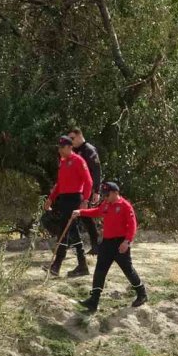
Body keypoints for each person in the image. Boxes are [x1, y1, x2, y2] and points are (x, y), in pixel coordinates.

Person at [71, 181, 147, 312]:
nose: (105, 197)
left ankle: (142, 294)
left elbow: (133, 225)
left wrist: (127, 242)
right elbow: (97, 212)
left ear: (115, 193)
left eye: (107, 194)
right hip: (106, 243)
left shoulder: (125, 206)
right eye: (104, 194)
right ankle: (93, 301)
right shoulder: (106, 204)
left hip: (120, 243)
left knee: (127, 269)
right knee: (100, 270)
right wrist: (81, 212)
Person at [44, 136, 93, 277]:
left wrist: (85, 200)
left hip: (74, 198)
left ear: (69, 147)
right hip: (64, 199)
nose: (59, 150)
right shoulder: (63, 162)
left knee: (65, 230)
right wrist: (50, 199)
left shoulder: (78, 161)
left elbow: (88, 181)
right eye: (58, 148)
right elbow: (59, 184)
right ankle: (81, 265)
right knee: (70, 230)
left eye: (61, 147)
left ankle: (57, 264)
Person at [69, 128, 103, 255]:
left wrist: (96, 191)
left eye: (72, 138)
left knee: (86, 217)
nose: (71, 141)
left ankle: (96, 245)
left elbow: (96, 171)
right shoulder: (74, 151)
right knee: (77, 215)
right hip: (77, 189)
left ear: (79, 136)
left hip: (87, 190)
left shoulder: (89, 150)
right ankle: (69, 243)